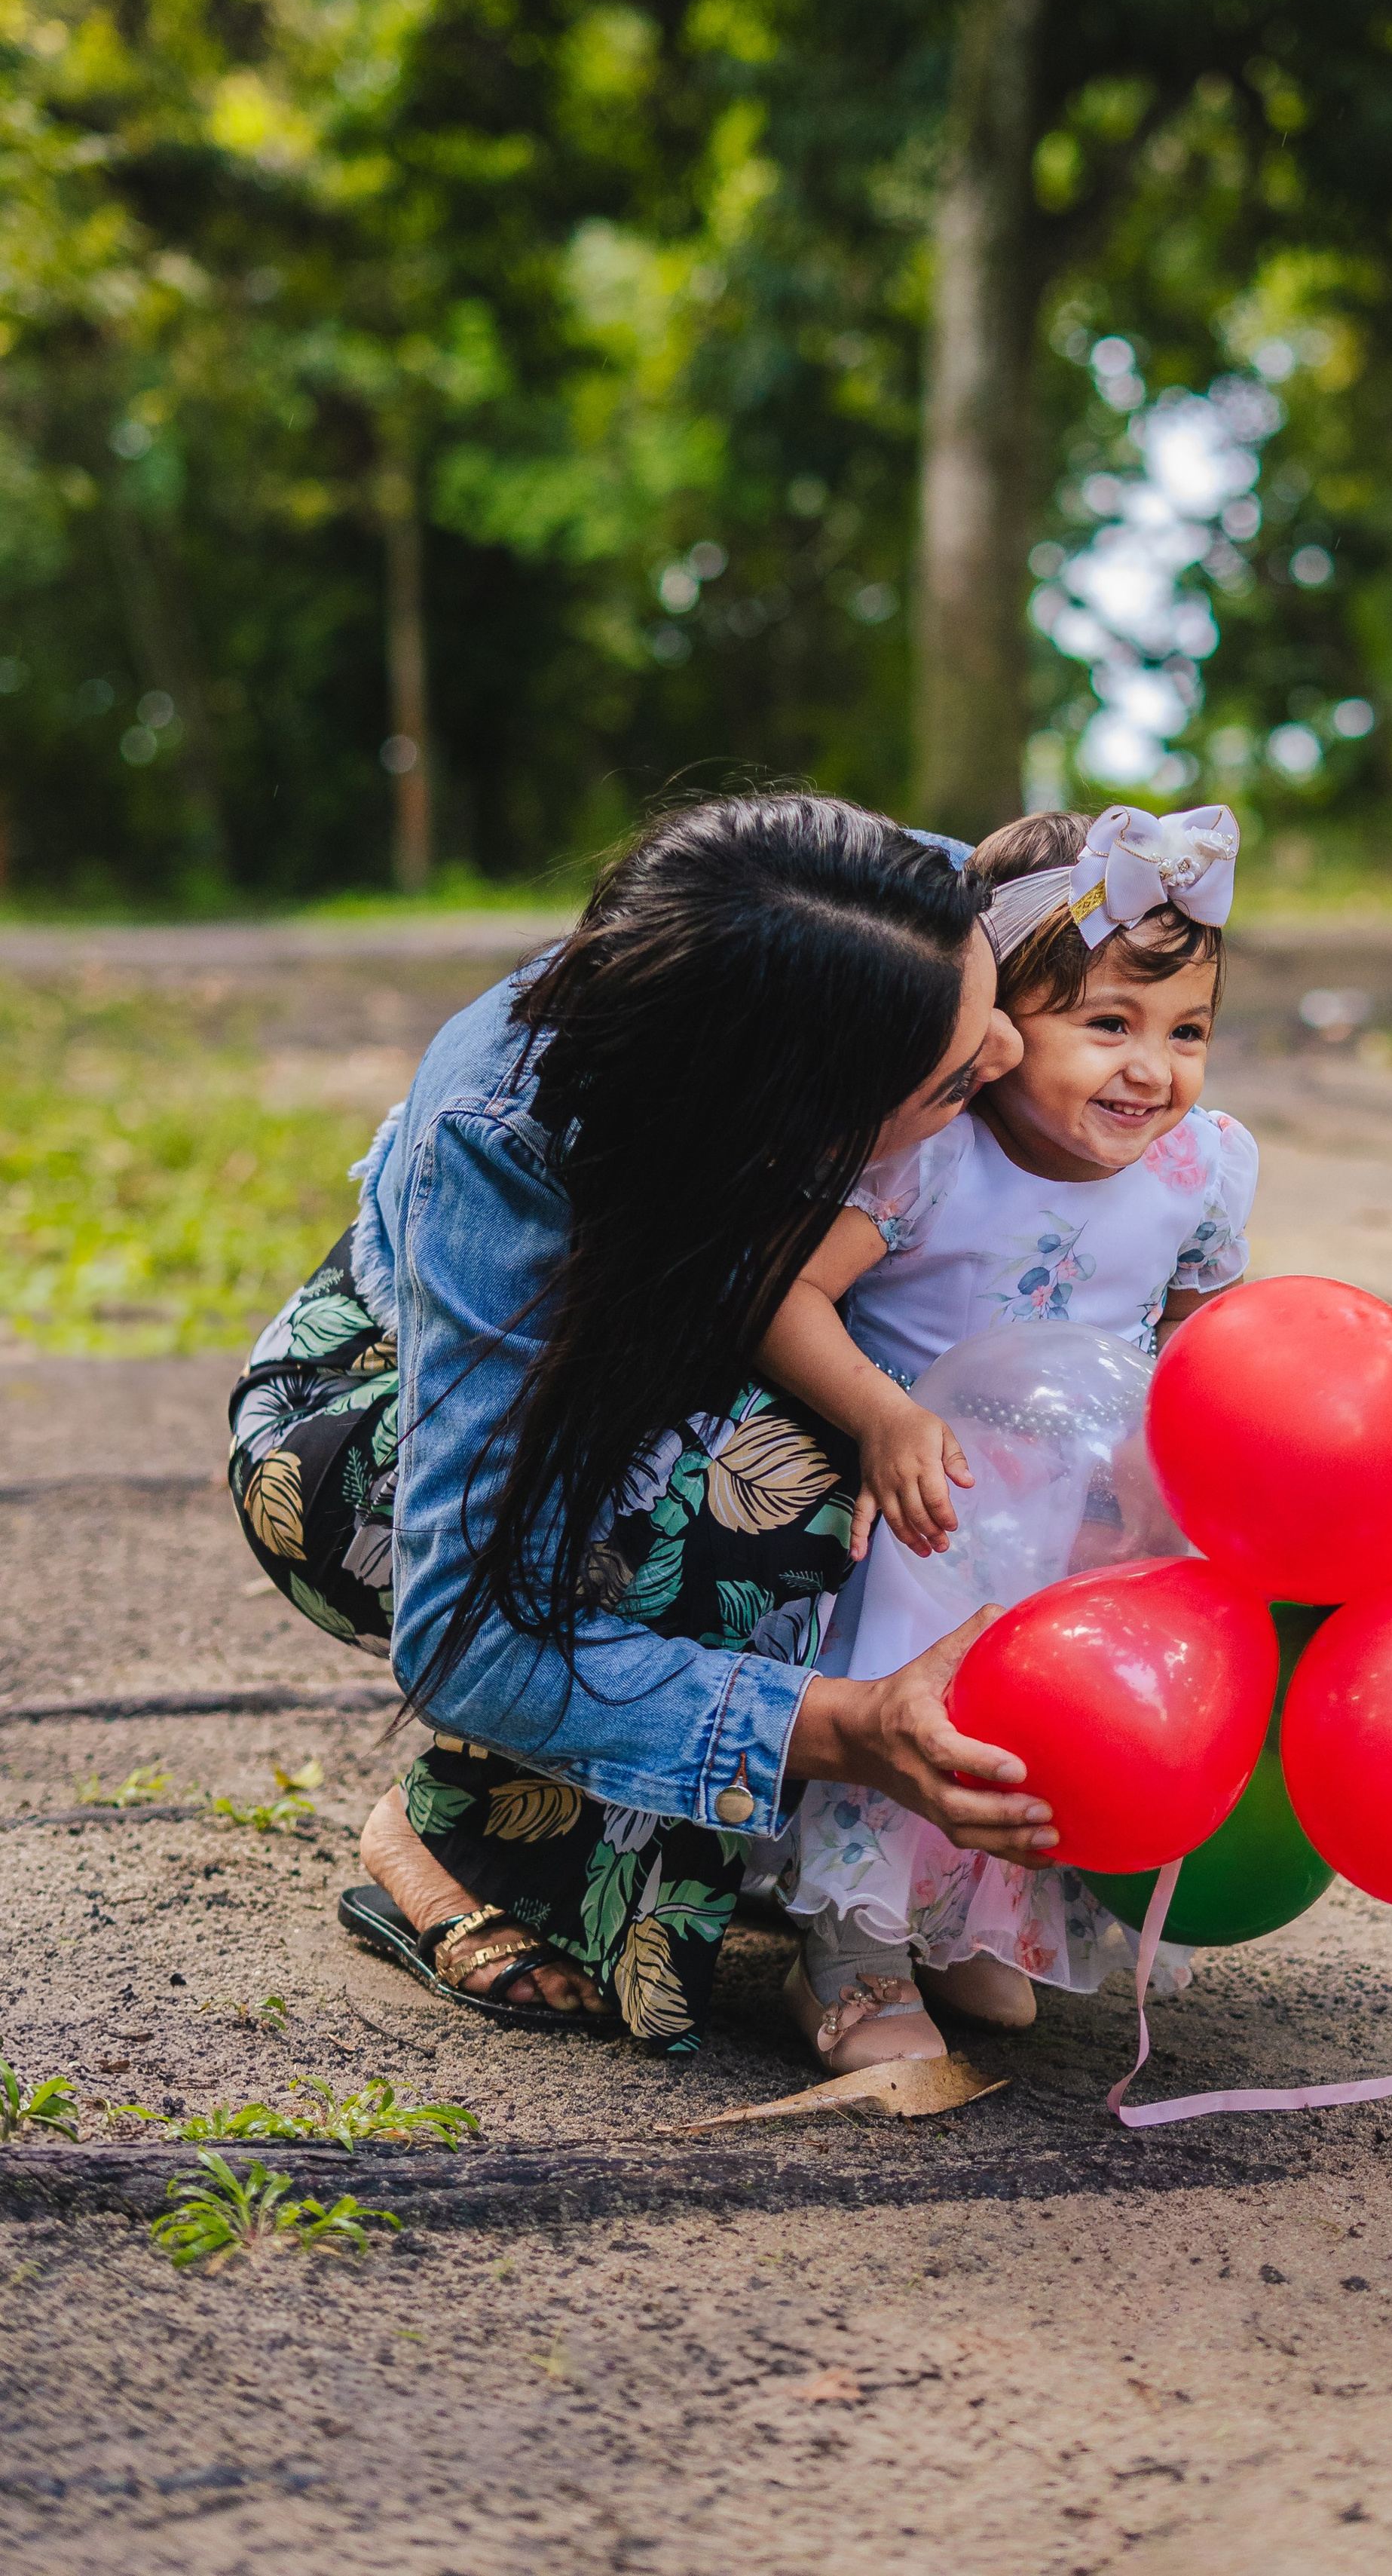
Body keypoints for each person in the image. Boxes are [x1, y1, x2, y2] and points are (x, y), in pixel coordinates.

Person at [228, 794, 1057, 2054]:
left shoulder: (895, 906)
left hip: (684, 1357)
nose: (1005, 1050)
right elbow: (461, 1632)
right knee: (773, 1501)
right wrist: (840, 1728)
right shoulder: (510, 1150)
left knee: (891, 1450)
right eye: (952, 1079)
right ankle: (452, 1834)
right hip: (369, 1432)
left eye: (990, 999)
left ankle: (743, 1829)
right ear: (799, 1132)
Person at [754, 802, 1256, 2072]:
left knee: (1052, 1701)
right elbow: (786, 1297)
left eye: (1186, 1030)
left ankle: (979, 1915)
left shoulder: (1201, 1170)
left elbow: (1209, 1340)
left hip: (1085, 1498)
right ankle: (856, 1943)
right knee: (927, 1681)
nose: (1153, 1068)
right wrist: (879, 1416)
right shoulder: (940, 1161)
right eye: (1107, 1025)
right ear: (996, 1031)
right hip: (938, 1484)